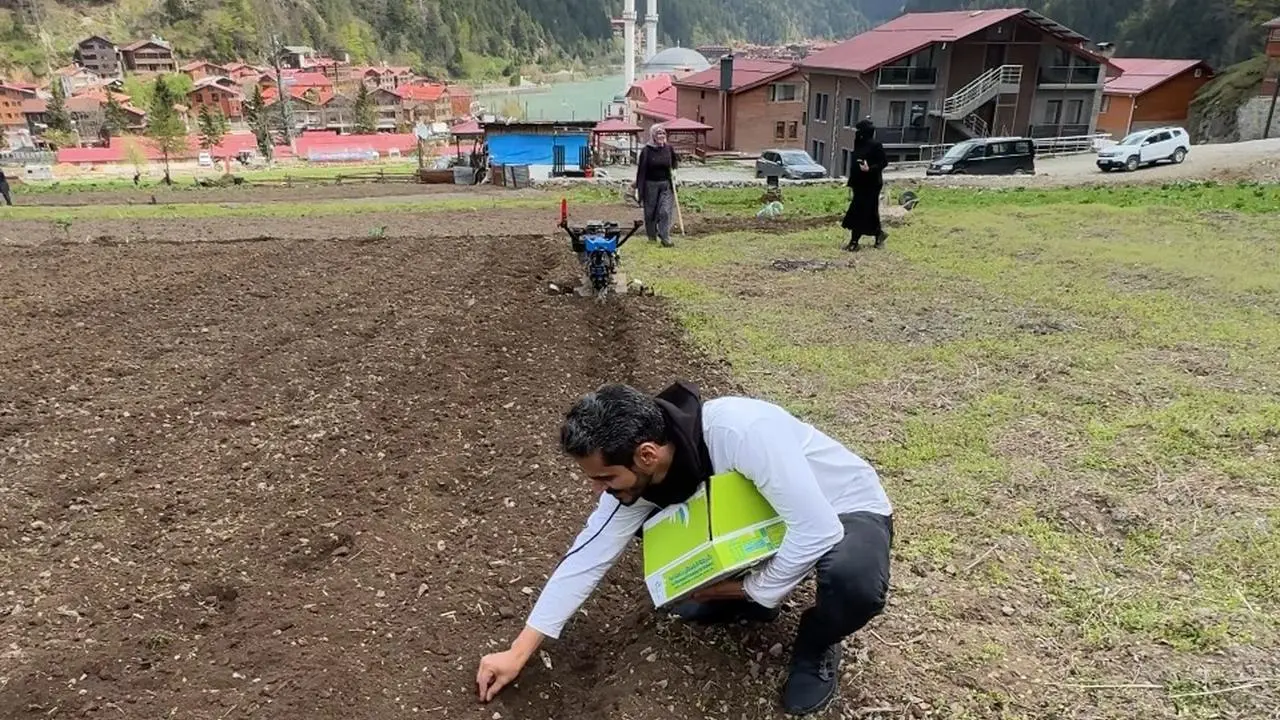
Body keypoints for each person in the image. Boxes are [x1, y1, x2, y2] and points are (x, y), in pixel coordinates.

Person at [476, 381, 894, 716]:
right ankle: (749, 604)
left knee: (853, 583)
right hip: (769, 519)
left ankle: (817, 641)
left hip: (842, 509)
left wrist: (750, 589)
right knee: (671, 542)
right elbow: (588, 556)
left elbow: (817, 530)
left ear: (646, 454)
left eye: (605, 478)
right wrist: (518, 651)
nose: (599, 490)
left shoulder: (740, 431)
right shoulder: (639, 474)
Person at [842, 119, 889, 252]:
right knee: (861, 211)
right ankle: (875, 235)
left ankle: (856, 241)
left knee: (866, 211)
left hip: (872, 184)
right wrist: (851, 182)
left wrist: (870, 169)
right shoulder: (858, 143)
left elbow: (883, 162)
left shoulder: (876, 145)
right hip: (859, 183)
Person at [632, 125, 678, 247]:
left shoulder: (669, 149)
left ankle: (665, 237)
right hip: (650, 185)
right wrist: (638, 188)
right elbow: (641, 171)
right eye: (658, 133)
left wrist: (674, 172)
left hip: (666, 185)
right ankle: (652, 236)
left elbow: (674, 162)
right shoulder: (646, 151)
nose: (661, 136)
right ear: (653, 136)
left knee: (665, 212)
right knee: (650, 212)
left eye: (663, 133)